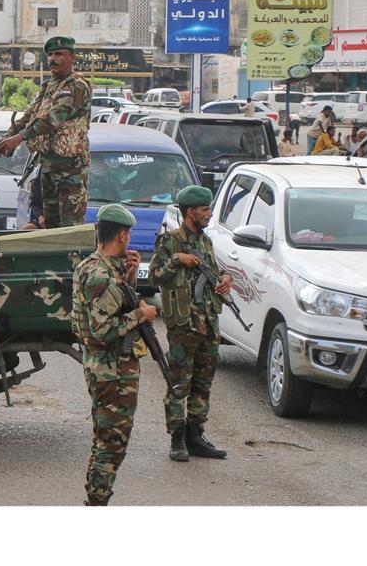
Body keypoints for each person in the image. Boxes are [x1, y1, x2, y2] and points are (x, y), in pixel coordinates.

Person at [72, 203, 158, 505]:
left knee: (106, 438)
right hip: (111, 369)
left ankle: (97, 499)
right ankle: (96, 502)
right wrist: (142, 315)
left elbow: (114, 304)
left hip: (109, 367)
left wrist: (131, 277)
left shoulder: (95, 266)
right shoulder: (100, 275)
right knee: (112, 442)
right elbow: (103, 329)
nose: (130, 239)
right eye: (129, 234)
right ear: (122, 235)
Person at [148, 185, 231, 463]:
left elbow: (213, 274)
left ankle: (196, 435)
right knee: (178, 384)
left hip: (208, 323)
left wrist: (224, 281)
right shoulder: (171, 241)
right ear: (190, 212)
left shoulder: (205, 241)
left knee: (203, 383)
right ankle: (177, 438)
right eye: (205, 210)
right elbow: (155, 277)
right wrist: (177, 260)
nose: (209, 214)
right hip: (184, 326)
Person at [0, 36, 92, 228]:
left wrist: (18, 139)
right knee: (51, 227)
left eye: (59, 54)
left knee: (70, 230)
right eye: (50, 55)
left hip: (69, 171)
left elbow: (53, 119)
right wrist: (6, 138)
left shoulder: (77, 86)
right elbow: (28, 117)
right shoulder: (48, 87)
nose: (53, 59)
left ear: (71, 57)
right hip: (48, 169)